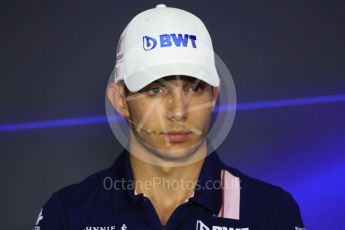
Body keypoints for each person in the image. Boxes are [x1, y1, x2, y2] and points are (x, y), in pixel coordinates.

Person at [34, 4, 304, 230]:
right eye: (155, 89)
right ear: (120, 101)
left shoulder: (270, 213)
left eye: (194, 87)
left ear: (214, 96)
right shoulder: (68, 215)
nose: (178, 111)